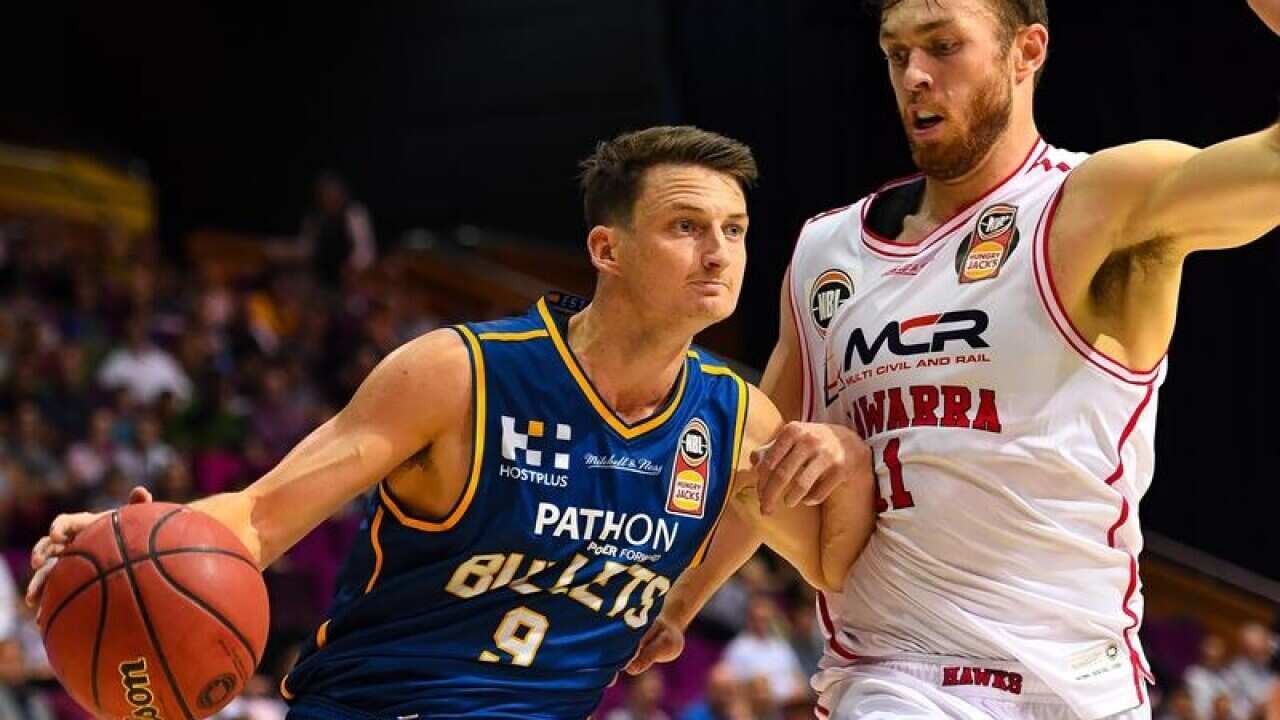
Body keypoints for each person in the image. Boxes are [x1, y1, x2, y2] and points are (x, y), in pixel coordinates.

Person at [26, 126, 876, 719]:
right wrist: (132, 534)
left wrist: (840, 451)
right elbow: (260, 514)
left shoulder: (732, 419)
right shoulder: (460, 373)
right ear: (607, 250)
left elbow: (835, 558)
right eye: (687, 228)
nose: (721, 253)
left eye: (734, 230)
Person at [629, 1, 1280, 719]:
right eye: (896, 53)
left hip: (1085, 685)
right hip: (899, 676)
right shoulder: (827, 251)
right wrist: (682, 599)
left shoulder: (1094, 201)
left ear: (1027, 51)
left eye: (943, 47)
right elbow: (763, 464)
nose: (915, 75)